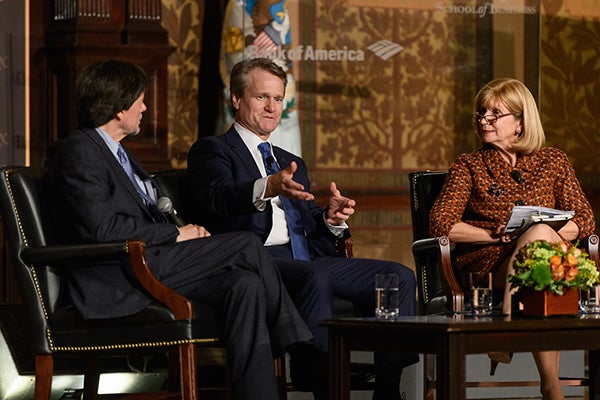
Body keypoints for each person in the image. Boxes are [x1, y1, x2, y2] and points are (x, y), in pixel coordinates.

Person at [44, 59, 314, 400]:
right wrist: (175, 235)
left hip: (152, 260)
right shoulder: (79, 152)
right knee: (245, 245)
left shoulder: (117, 153)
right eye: (140, 99)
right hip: (117, 273)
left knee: (243, 284)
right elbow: (102, 228)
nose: (145, 107)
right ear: (118, 107)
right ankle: (299, 344)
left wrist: (183, 229)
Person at [187, 57, 417, 400]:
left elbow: (306, 224)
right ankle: (323, 380)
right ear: (236, 98)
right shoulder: (213, 151)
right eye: (262, 97)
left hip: (306, 258)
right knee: (313, 276)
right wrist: (268, 186)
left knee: (398, 277)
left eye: (278, 99)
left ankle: (388, 389)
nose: (271, 107)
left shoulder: (290, 160)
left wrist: (330, 219)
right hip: (256, 260)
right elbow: (219, 198)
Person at [430, 77, 595, 400]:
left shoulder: (553, 161)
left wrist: (538, 234)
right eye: (481, 113)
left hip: (543, 261)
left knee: (540, 236)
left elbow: (585, 220)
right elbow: (441, 224)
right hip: (489, 265)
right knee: (542, 244)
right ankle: (551, 386)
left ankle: (510, 337)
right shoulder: (469, 166)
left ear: (520, 122)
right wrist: (496, 234)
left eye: (495, 113)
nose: (484, 120)